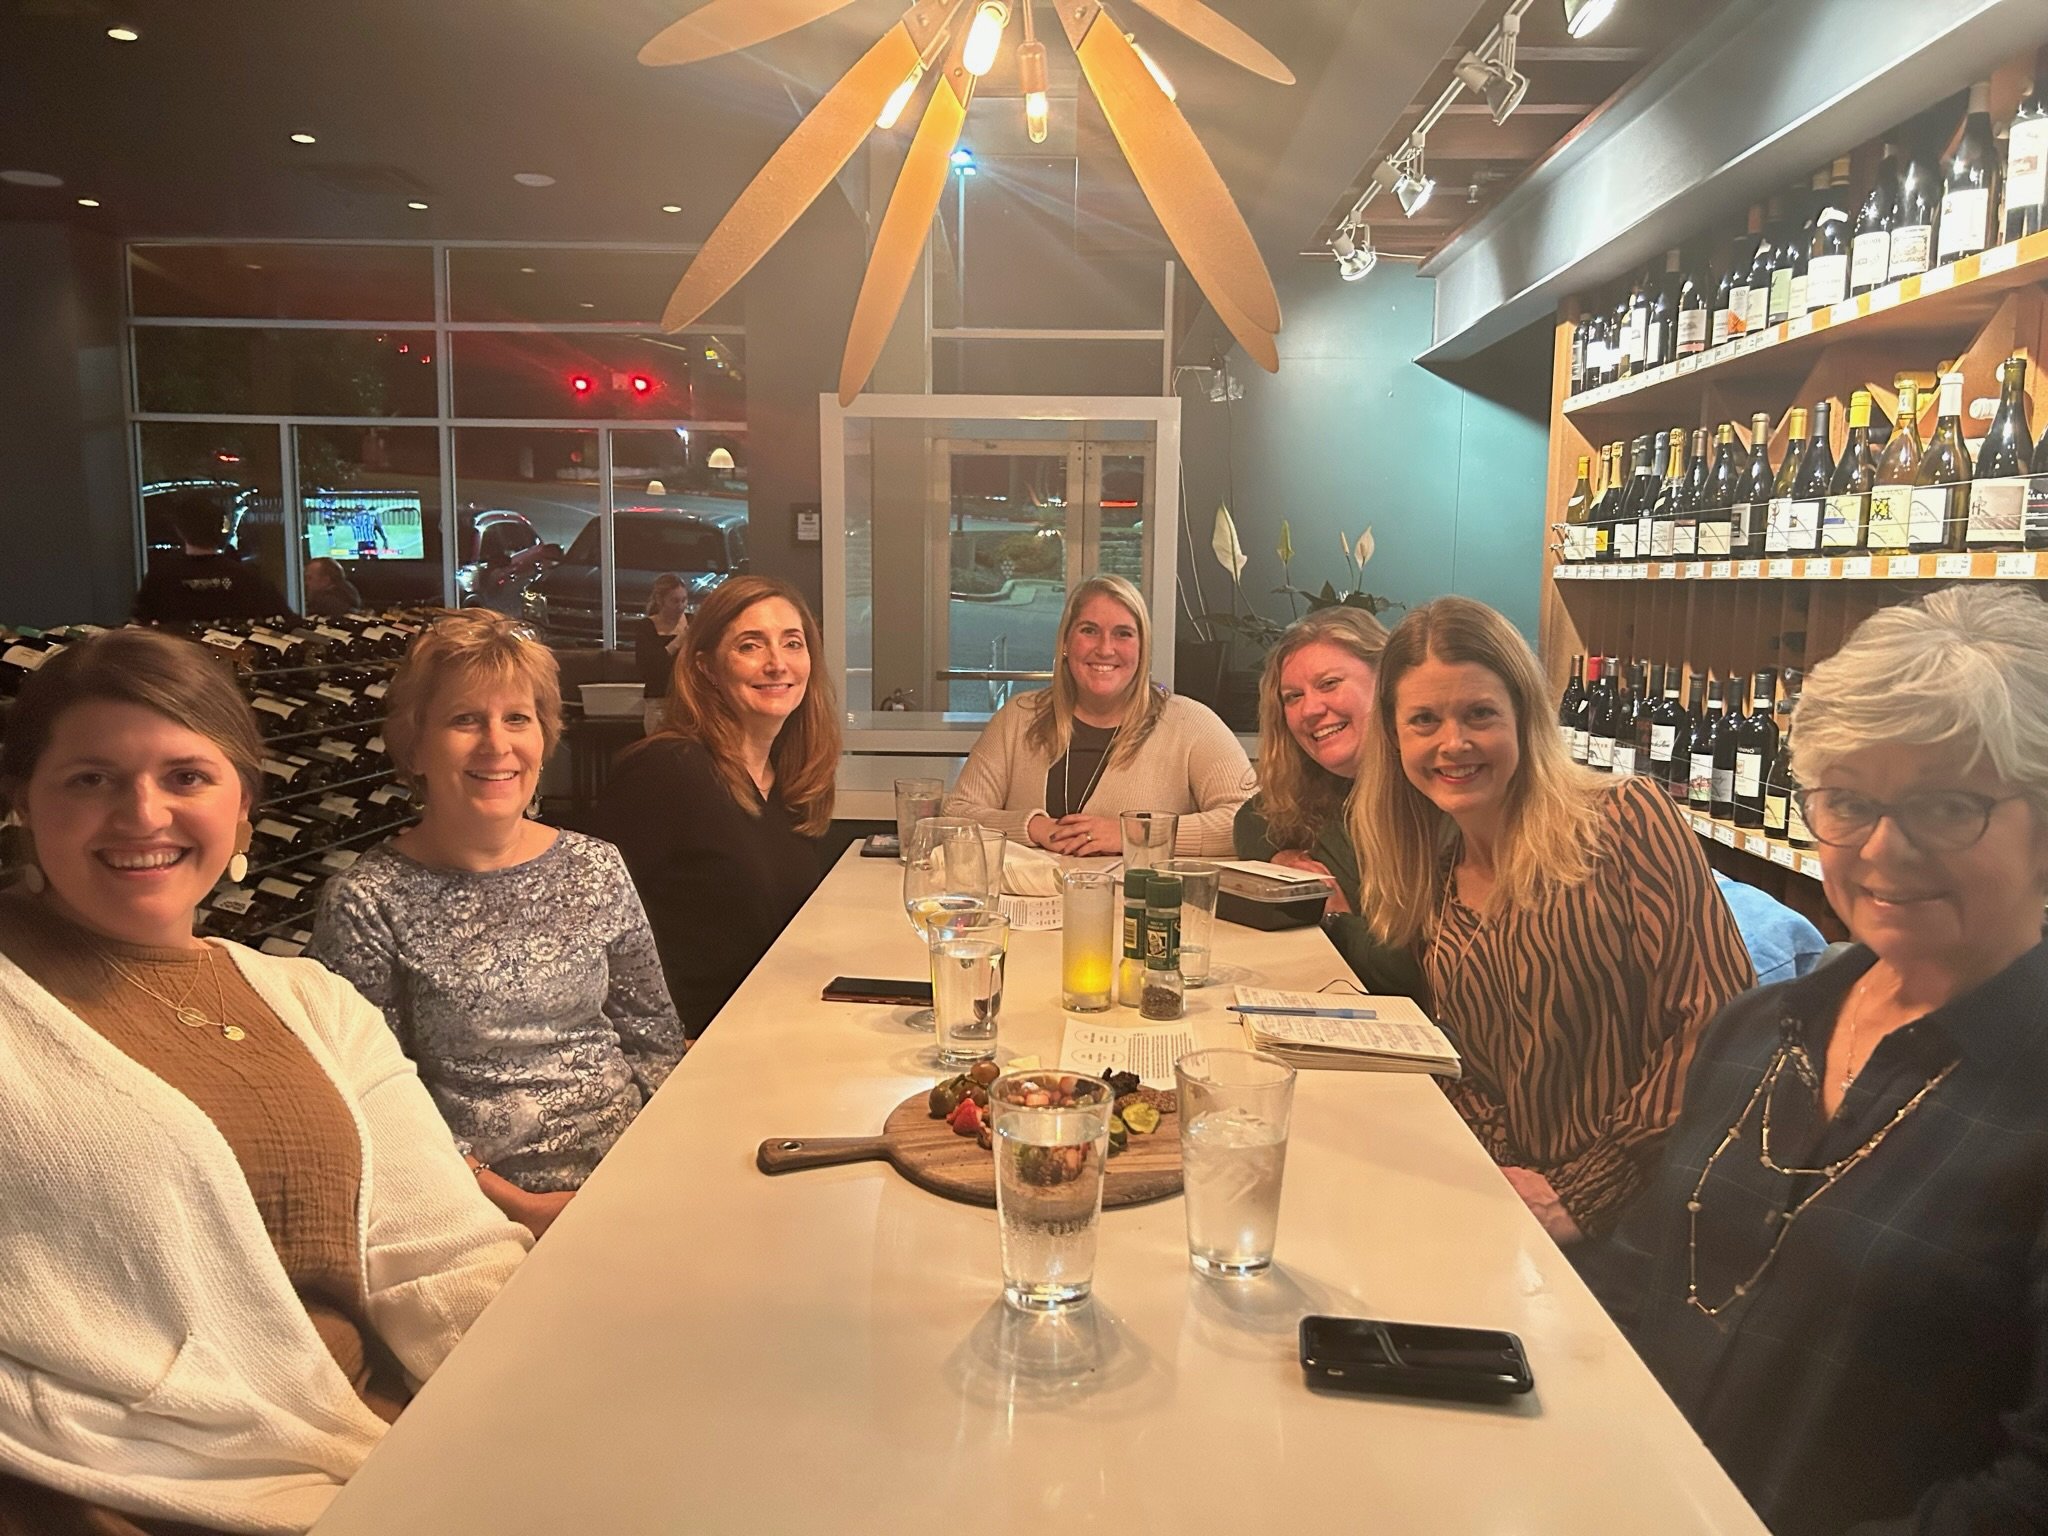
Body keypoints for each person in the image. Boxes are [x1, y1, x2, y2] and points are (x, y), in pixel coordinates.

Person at [0, 629, 529, 1535]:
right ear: (23, 805)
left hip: (378, 1447)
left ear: (245, 809)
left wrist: (532, 1405)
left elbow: (442, 1254)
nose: (141, 813)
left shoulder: (311, 1000)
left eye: (186, 777)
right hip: (132, 1494)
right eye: (90, 779)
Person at [1608, 586, 2048, 1536]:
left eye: (1946, 805)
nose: (1884, 849)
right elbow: (1643, 1285)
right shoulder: (1756, 1029)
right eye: (1848, 800)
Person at [1349, 596, 1753, 1246]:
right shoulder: (1433, 877)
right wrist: (1497, 1174)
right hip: (1517, 1213)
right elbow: (1480, 1073)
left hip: (1654, 1221)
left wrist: (1586, 1191)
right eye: (1424, 720)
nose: (1453, 743)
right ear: (1395, 737)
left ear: (1525, 717)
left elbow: (1719, 1021)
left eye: (1479, 714)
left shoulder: (1626, 818)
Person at [308, 611, 684, 1238]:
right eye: (464, 720)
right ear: (415, 745)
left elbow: (654, 1040)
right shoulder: (367, 901)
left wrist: (660, 1167)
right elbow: (374, 1103)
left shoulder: (595, 865)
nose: (497, 744)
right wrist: (517, 1206)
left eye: (517, 718)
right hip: (475, 1214)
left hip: (635, 1177)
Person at [596, 577, 838, 1038]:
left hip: (772, 1030)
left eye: (793, 643)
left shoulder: (789, 781)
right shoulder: (667, 770)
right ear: (706, 667)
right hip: (692, 1052)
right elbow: (591, 941)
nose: (777, 663)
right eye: (751, 646)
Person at [945, 574, 1256, 858]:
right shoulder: (1017, 718)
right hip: (1029, 916)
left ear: (1142, 648)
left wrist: (1133, 835)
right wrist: (1033, 827)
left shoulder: (1193, 724)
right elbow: (954, 816)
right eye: (1089, 631)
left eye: (1123, 634)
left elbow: (1251, 824)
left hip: (1138, 915)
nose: (1105, 649)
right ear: (1066, 643)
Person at [1233, 606, 1422, 997]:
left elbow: (1415, 969)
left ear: (1386, 681)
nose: (1311, 709)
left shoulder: (1430, 791)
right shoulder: (1327, 787)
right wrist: (1281, 862)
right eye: (1294, 696)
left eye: (1330, 683)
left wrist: (1335, 920)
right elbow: (1251, 821)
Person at [133, 489, 291, 623]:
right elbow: (283, 619)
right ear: (220, 528)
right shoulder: (247, 578)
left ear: (179, 530)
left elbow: (139, 626)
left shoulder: (161, 578)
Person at [634, 572, 690, 735]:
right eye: (674, 601)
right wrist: (679, 641)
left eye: (684, 600)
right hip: (659, 701)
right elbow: (649, 668)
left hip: (687, 700)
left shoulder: (692, 622)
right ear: (660, 601)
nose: (681, 606)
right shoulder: (646, 627)